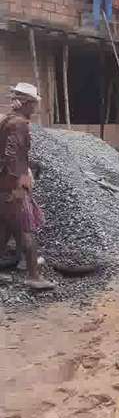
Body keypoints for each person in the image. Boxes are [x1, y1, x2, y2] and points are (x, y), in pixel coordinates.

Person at [0, 83, 54, 291]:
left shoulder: (6, 120)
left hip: (2, 185)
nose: (35, 109)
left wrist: (27, 167)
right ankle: (33, 276)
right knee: (25, 229)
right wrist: (18, 186)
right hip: (11, 186)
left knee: (3, 231)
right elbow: (12, 156)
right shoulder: (20, 124)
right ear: (26, 103)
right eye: (33, 104)